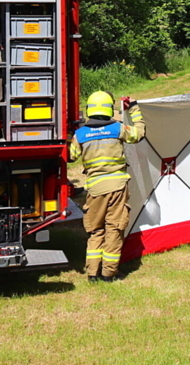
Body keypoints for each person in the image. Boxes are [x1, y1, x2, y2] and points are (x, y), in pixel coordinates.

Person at [69, 91, 146, 282]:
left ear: (89, 109)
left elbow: (70, 157)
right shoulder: (118, 129)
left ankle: (93, 273)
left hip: (95, 189)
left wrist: (72, 133)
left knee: (96, 230)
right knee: (114, 229)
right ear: (109, 108)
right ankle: (109, 274)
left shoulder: (80, 134)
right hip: (118, 187)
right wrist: (134, 108)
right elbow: (140, 134)